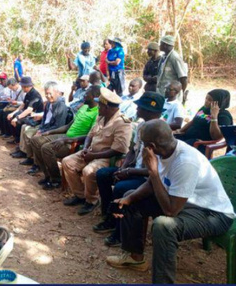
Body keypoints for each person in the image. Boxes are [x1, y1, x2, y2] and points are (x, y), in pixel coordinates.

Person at [106, 119, 234, 282]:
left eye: (144, 144)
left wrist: (152, 171)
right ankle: (134, 257)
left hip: (214, 214)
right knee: (132, 197)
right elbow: (152, 184)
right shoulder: (165, 150)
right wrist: (128, 199)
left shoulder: (185, 162)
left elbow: (170, 211)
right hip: (186, 204)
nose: (143, 147)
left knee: (163, 226)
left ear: (151, 146)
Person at [93, 92, 165, 246]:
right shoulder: (141, 126)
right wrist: (124, 167)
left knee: (120, 188)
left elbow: (155, 170)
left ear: (151, 111)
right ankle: (110, 217)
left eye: (140, 107)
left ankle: (120, 232)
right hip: (135, 170)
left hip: (149, 179)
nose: (137, 109)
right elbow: (133, 150)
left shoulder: (160, 132)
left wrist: (129, 172)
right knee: (103, 174)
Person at [62, 87, 131, 215]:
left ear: (107, 107)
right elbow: (90, 134)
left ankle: (91, 201)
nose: (98, 107)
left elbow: (119, 149)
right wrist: (87, 148)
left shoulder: (122, 123)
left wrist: (94, 155)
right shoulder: (102, 117)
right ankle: (80, 196)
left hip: (107, 158)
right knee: (67, 162)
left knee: (88, 171)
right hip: (91, 152)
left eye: (100, 105)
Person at [30, 85, 100, 187]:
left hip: (74, 142)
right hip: (65, 136)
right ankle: (48, 175)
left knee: (47, 148)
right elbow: (68, 126)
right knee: (35, 140)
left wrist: (68, 140)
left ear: (94, 96)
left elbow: (90, 135)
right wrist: (50, 132)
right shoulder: (84, 107)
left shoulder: (97, 113)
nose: (84, 95)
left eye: (86, 94)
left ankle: (56, 179)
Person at [15, 82, 70, 166]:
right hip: (44, 127)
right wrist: (40, 129)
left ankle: (37, 164)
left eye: (50, 93)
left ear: (56, 92)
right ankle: (30, 158)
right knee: (27, 133)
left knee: (35, 139)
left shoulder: (61, 107)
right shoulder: (48, 103)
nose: (48, 96)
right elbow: (44, 119)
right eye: (46, 94)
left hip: (52, 131)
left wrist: (43, 132)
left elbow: (58, 126)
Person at [6, 76, 44, 149]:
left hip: (35, 116)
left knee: (18, 122)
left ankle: (19, 143)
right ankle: (16, 140)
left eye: (22, 86)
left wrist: (17, 118)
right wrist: (13, 113)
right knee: (11, 117)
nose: (22, 88)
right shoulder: (28, 94)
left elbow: (29, 110)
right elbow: (22, 106)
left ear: (25, 86)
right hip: (28, 114)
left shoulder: (35, 95)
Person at [156, 35, 188, 102]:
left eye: (161, 44)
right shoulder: (163, 57)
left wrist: (181, 92)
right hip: (161, 92)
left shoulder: (175, 57)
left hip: (171, 94)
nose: (159, 46)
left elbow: (183, 78)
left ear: (165, 45)